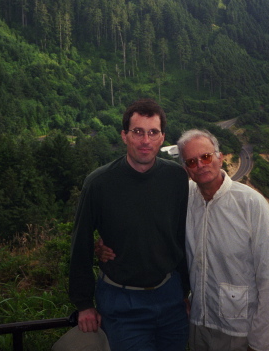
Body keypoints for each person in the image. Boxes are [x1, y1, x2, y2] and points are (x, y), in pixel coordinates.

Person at [69, 98, 189, 351]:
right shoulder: (99, 184)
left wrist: (185, 292)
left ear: (162, 137)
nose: (145, 141)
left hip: (170, 297)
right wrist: (83, 304)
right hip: (122, 301)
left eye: (152, 133)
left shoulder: (177, 179)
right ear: (124, 136)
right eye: (137, 132)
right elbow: (80, 244)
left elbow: (183, 236)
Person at [177, 129, 269, 351]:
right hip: (197, 325)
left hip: (238, 331)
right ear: (187, 168)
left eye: (206, 157)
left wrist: (260, 342)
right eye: (192, 161)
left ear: (220, 157)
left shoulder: (251, 203)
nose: (201, 165)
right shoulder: (184, 199)